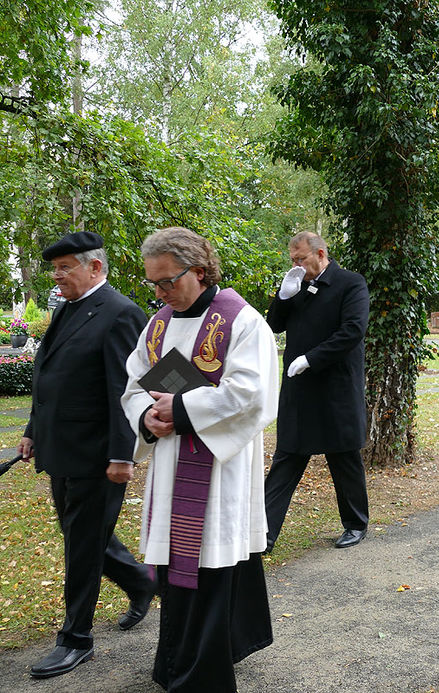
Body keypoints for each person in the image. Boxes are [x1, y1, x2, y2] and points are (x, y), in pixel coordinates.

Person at [122, 227, 279, 691]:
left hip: (218, 471)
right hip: (170, 464)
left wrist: (183, 410)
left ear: (200, 270)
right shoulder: (158, 325)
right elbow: (132, 385)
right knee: (175, 570)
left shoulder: (241, 320)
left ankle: (199, 675)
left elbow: (253, 394)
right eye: (153, 283)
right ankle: (178, 660)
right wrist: (147, 417)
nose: (159, 293)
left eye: (167, 282)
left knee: (209, 567)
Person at [19, 231, 154, 680]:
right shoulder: (66, 309)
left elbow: (125, 392)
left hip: (99, 456)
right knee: (84, 535)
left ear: (95, 267)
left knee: (82, 545)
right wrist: (32, 430)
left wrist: (123, 456)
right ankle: (141, 582)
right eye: (54, 269)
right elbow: (49, 375)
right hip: (62, 449)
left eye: (64, 268)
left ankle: (76, 640)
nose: (56, 277)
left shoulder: (120, 313)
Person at [264, 231, 370, 550]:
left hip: (335, 385)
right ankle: (263, 535)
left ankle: (355, 524)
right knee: (287, 458)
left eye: (301, 259)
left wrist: (312, 359)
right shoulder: (297, 284)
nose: (296, 265)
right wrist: (283, 296)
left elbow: (352, 330)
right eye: (292, 260)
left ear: (320, 253)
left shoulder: (351, 283)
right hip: (300, 389)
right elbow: (274, 324)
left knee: (343, 457)